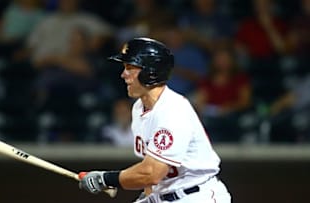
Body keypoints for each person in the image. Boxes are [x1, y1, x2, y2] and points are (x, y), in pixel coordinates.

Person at [78, 38, 231, 203]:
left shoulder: (172, 110)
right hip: (165, 195)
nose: (123, 74)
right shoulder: (138, 108)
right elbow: (150, 172)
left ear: (150, 72)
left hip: (196, 196)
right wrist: (147, 196)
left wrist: (105, 179)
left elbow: (152, 173)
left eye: (130, 68)